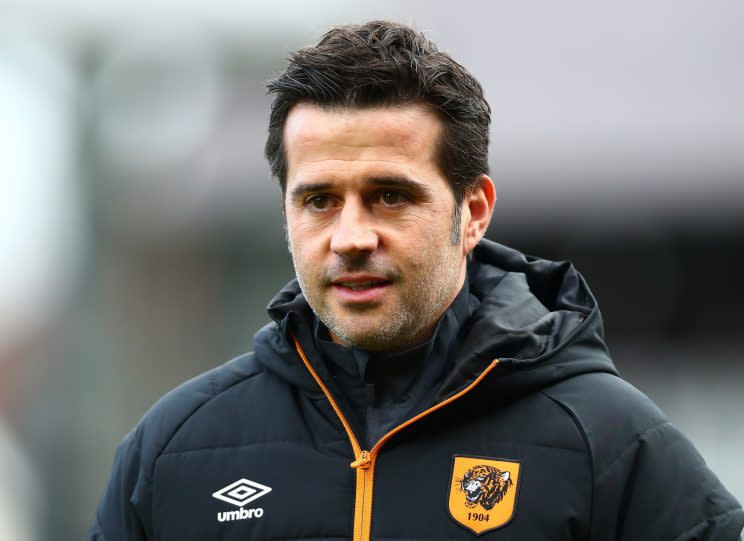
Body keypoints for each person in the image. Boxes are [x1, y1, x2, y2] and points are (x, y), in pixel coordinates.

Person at [89, 20, 743, 540]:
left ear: (474, 212)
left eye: (389, 196)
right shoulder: (174, 452)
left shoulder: (611, 444)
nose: (350, 237)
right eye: (319, 200)